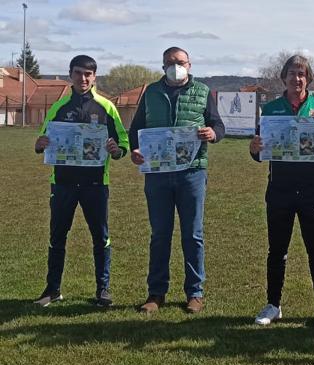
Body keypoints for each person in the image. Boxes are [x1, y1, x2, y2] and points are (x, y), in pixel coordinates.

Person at [129, 47, 224, 314]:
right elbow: (136, 129)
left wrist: (212, 133)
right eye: (170, 63)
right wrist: (136, 150)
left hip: (192, 172)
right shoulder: (151, 93)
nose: (175, 67)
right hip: (157, 174)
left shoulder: (203, 92)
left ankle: (195, 293)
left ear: (189, 65)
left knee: (193, 235)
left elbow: (219, 126)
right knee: (160, 235)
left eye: (180, 62)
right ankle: (156, 293)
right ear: (162, 67)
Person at [249, 55, 314, 328]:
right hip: (279, 189)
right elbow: (259, 150)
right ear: (284, 77)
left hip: (312, 190)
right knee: (277, 250)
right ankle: (273, 305)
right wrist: (254, 149)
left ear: (308, 79)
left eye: (301, 74)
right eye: (291, 73)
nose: (296, 78)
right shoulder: (271, 110)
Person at [33, 55, 129, 307]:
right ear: (70, 75)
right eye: (78, 73)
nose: (83, 78)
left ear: (94, 77)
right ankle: (52, 289)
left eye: (88, 74)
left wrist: (115, 149)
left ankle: (103, 290)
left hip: (96, 184)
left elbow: (123, 143)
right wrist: (40, 144)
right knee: (57, 236)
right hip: (63, 183)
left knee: (101, 237)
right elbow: (43, 138)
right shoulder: (58, 107)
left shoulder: (107, 107)